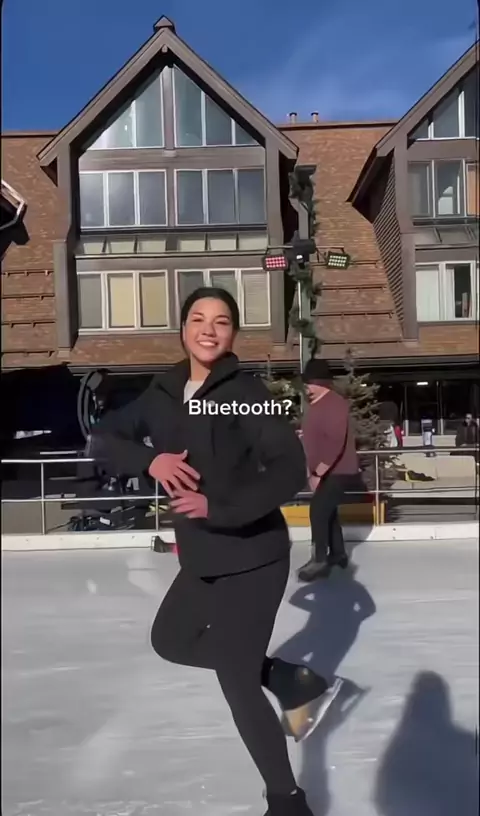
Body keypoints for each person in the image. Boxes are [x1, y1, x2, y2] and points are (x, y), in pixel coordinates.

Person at [92, 287, 339, 816]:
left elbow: (289, 469)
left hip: (253, 554)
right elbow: (105, 437)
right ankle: (285, 677)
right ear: (182, 329)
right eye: (198, 319)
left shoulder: (245, 393)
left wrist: (218, 506)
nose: (209, 329)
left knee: (236, 680)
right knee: (170, 640)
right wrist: (149, 461)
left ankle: (288, 802)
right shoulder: (162, 391)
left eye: (222, 321)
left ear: (233, 334)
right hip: (203, 555)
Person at [297, 358, 360, 583]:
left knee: (318, 511)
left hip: (338, 471)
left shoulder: (334, 403)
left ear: (319, 382)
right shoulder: (319, 404)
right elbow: (321, 432)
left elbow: (335, 442)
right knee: (328, 512)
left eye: (309, 383)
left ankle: (319, 560)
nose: (306, 387)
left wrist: (318, 473)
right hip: (328, 471)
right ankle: (338, 554)